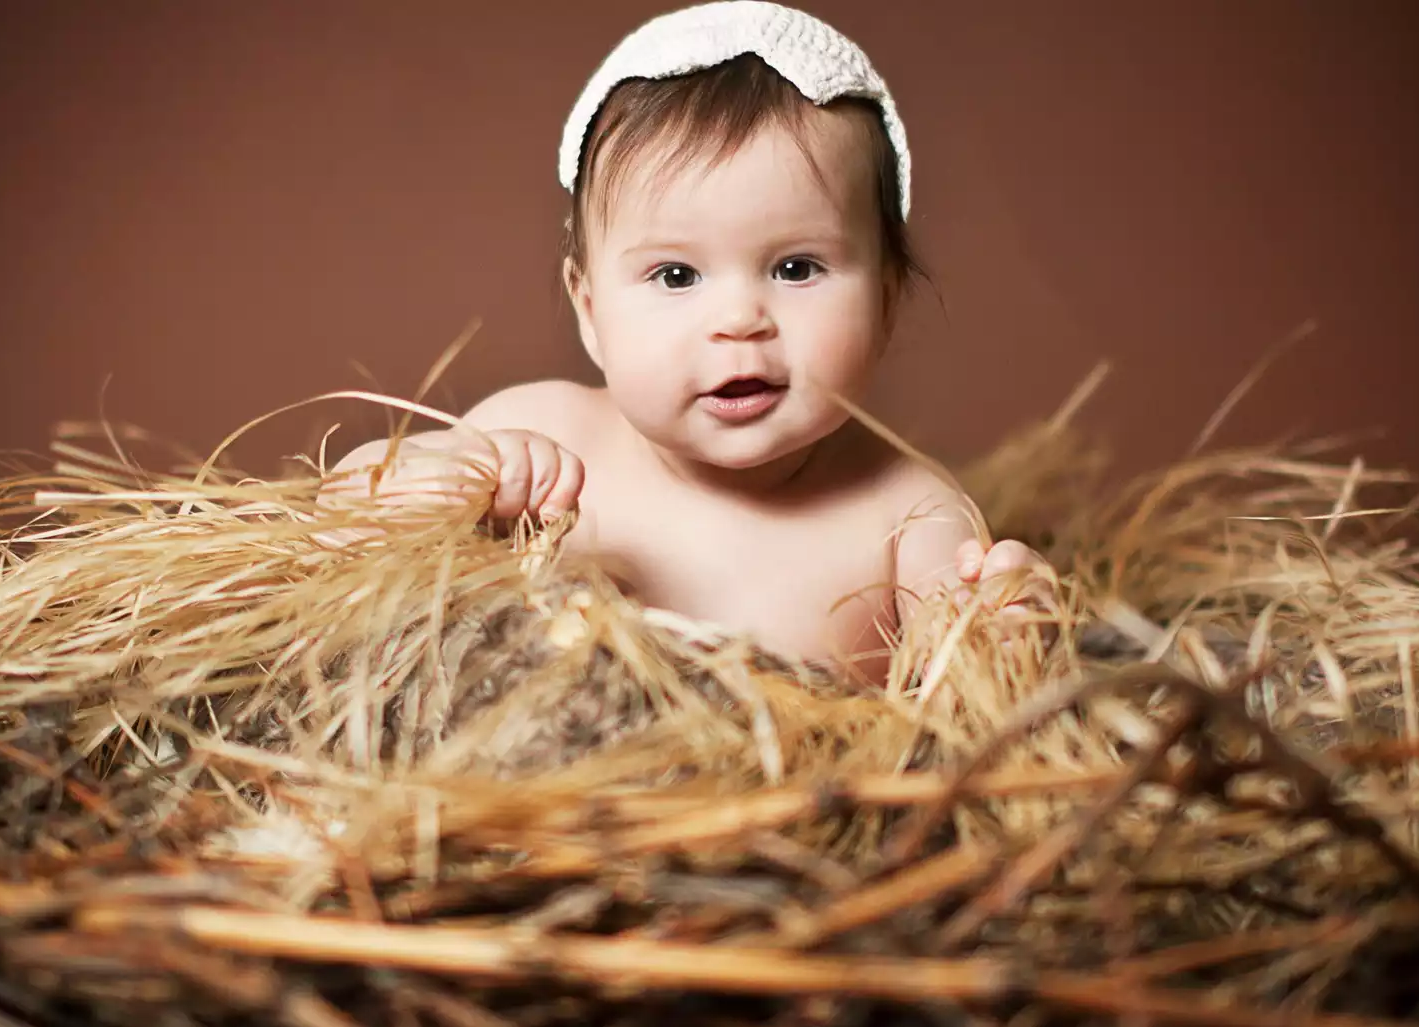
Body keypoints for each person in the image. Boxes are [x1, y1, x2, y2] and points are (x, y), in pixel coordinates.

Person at [321, 1, 1046, 686]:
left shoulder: (908, 513)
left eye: (796, 268)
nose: (738, 319)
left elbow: (972, 702)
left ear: (887, 301)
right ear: (591, 311)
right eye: (675, 275)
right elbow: (333, 534)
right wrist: (424, 484)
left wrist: (1006, 629)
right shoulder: (540, 436)